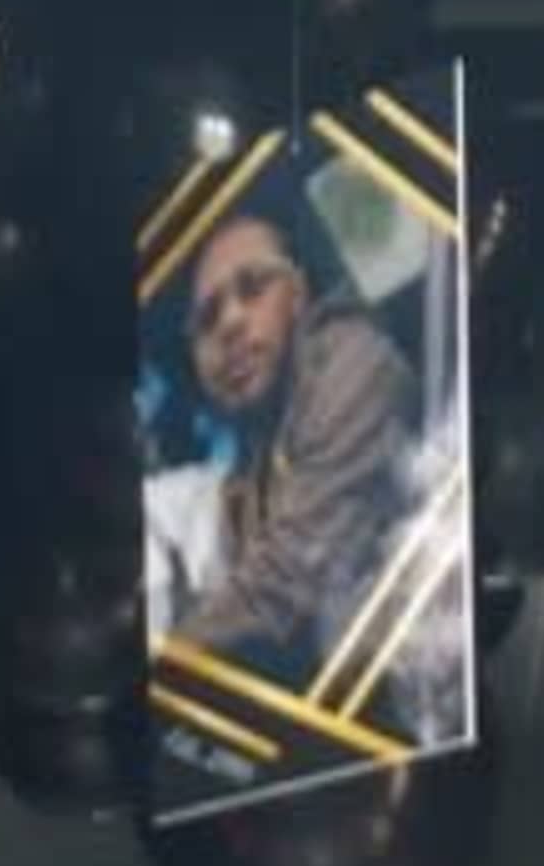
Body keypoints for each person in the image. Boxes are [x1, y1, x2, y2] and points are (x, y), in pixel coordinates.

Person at [164, 207, 415, 688]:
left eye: (254, 287)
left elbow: (285, 584)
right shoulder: (254, 462)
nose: (231, 323)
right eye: (206, 317)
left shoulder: (353, 364)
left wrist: (165, 656)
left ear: (298, 294)